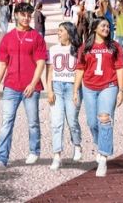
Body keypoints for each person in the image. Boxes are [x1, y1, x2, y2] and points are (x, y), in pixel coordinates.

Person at [0, 3, 48, 170]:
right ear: (16, 15)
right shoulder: (8, 38)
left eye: (28, 15)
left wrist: (33, 83)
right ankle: (1, 159)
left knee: (33, 122)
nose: (26, 18)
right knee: (7, 122)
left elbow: (41, 63)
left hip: (31, 87)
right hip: (11, 86)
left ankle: (34, 151)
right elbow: (2, 63)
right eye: (23, 15)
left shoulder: (36, 37)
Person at [74, 17, 123, 177]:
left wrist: (121, 90)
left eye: (108, 26)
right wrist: (75, 90)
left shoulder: (114, 46)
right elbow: (80, 69)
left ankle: (103, 156)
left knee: (104, 118)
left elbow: (120, 69)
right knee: (91, 122)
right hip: (89, 87)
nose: (106, 28)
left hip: (108, 86)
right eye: (103, 26)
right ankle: (101, 142)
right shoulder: (85, 47)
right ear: (94, 28)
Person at [46, 21, 82, 170]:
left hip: (72, 87)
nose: (58, 33)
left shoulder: (77, 49)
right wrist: (49, 90)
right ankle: (57, 155)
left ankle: (77, 145)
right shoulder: (53, 49)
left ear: (68, 32)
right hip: (57, 87)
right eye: (58, 30)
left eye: (61, 30)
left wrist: (76, 90)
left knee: (72, 120)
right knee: (56, 122)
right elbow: (49, 71)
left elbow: (81, 71)